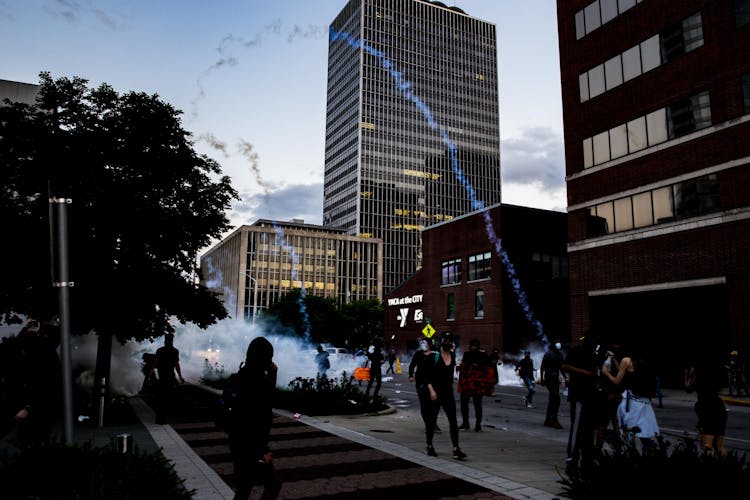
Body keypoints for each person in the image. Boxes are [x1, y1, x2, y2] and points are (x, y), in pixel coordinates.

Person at [227, 336, 282, 500]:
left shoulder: (238, 377)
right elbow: (265, 407)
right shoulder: (259, 381)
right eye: (269, 357)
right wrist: (272, 376)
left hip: (237, 441)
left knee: (245, 486)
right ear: (264, 358)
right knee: (273, 483)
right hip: (255, 446)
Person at [419, 332, 466, 459]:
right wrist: (431, 391)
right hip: (434, 392)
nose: (448, 342)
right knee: (432, 420)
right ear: (441, 341)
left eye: (450, 340)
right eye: (446, 340)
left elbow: (450, 375)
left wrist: (451, 386)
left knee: (453, 421)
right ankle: (429, 446)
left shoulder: (452, 355)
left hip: (447, 393)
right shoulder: (433, 356)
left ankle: (456, 449)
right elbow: (425, 376)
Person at [604, 346, 661, 451]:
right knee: (644, 431)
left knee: (628, 429)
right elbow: (627, 372)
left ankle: (630, 452)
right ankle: (649, 450)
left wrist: (606, 372)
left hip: (632, 402)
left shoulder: (627, 360)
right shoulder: (646, 361)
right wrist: (615, 361)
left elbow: (617, 381)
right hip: (645, 402)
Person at [562, 334, 598, 474]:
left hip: (591, 396)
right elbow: (565, 366)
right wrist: (583, 372)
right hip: (579, 396)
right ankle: (572, 461)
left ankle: (587, 462)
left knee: (588, 430)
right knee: (577, 429)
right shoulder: (576, 351)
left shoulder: (594, 355)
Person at [685, 356, 728, 457]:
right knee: (719, 446)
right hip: (719, 407)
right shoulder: (717, 368)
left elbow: (688, 388)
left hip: (707, 408)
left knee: (706, 446)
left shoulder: (696, 370)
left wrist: (687, 374)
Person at [457, 338, 493, 432]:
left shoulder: (478, 355)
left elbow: (488, 367)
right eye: (473, 345)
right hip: (471, 383)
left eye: (475, 346)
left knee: (474, 404)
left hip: (474, 384)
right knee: (471, 404)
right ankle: (470, 424)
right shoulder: (474, 354)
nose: (473, 347)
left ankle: (474, 425)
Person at [151, 333, 185, 424]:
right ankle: (165, 417)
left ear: (165, 341)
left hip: (162, 376)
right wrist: (180, 376)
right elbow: (176, 365)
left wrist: (151, 373)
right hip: (170, 376)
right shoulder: (174, 351)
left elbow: (155, 363)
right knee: (169, 397)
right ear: (172, 341)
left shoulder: (160, 350)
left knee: (161, 397)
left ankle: (160, 418)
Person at [540, 341, 564, 429]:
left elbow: (561, 367)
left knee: (552, 399)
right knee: (557, 398)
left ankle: (547, 420)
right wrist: (542, 378)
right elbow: (542, 366)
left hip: (555, 378)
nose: (558, 345)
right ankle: (554, 419)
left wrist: (565, 377)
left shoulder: (560, 355)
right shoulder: (548, 354)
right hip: (549, 377)